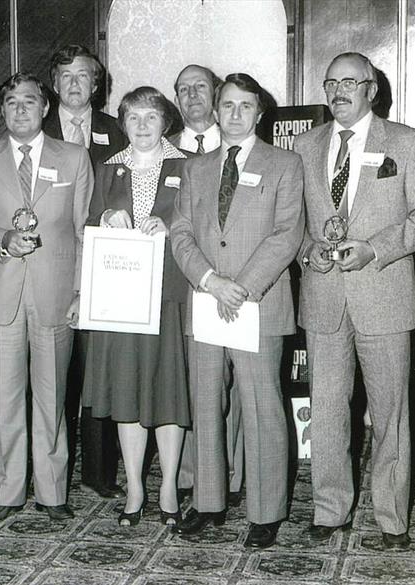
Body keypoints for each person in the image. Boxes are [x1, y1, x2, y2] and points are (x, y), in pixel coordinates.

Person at [294, 52, 415, 549]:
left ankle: (391, 519)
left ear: (371, 89)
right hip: (323, 301)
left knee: (390, 415)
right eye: (331, 82)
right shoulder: (304, 145)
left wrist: (376, 248)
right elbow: (290, 224)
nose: (339, 91)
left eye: (350, 83)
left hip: (384, 297)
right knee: (328, 410)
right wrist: (307, 252)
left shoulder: (404, 142)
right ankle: (329, 510)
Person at [171, 73, 304, 548]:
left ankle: (266, 512)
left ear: (259, 112)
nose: (233, 114)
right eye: (227, 105)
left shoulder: (285, 164)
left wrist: (241, 287)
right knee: (206, 404)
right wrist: (211, 281)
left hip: (259, 303)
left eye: (244, 106)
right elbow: (181, 232)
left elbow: (287, 234)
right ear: (216, 108)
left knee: (261, 405)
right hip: (207, 300)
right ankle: (209, 503)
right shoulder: (197, 167)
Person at [0, 72, 93, 522]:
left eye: (30, 101)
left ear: (46, 108)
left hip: (55, 294)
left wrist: (80, 290)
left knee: (52, 396)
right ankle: (5, 491)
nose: (21, 109)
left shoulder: (74, 159)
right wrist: (2, 238)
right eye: (12, 102)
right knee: (6, 398)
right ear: (3, 111)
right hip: (2, 295)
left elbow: (82, 232)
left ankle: (53, 492)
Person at [83, 86, 190, 526]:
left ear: (166, 122)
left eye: (151, 117)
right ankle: (134, 488)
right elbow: (89, 219)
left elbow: (202, 222)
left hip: (169, 296)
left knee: (168, 391)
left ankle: (167, 487)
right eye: (133, 118)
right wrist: (106, 218)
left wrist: (171, 224)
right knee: (127, 392)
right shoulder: (108, 168)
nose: (142, 126)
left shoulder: (188, 165)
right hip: (121, 301)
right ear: (122, 123)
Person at [42, 44, 127, 500]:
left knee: (98, 372)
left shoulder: (118, 132)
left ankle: (99, 472)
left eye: (85, 76)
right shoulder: (33, 126)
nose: (75, 84)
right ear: (54, 83)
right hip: (51, 267)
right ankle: (50, 474)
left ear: (97, 85)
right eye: (66, 75)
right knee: (55, 375)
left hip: (106, 269)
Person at [168, 63, 245, 507]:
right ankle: (195, 477)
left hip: (236, 287)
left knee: (233, 386)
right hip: (184, 283)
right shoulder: (161, 147)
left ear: (216, 95)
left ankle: (231, 476)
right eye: (183, 89)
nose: (192, 95)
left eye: (200, 87)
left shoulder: (245, 143)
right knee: (197, 384)